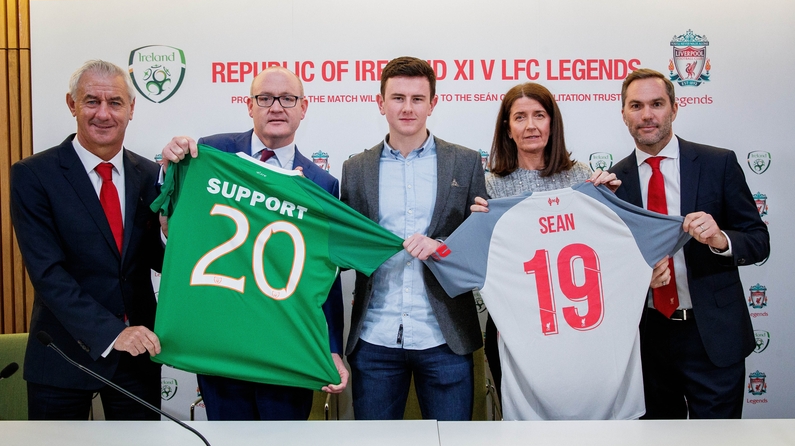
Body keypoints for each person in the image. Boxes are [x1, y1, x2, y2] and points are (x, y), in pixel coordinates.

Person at [160, 66, 347, 421]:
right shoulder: (208, 155)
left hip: (287, 350)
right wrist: (169, 167)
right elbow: (172, 219)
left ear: (303, 108)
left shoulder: (323, 184)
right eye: (265, 98)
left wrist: (330, 347)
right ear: (250, 106)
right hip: (222, 345)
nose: (276, 107)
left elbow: (325, 277)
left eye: (287, 99)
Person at [609, 68, 769, 419]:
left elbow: (758, 241)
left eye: (657, 104)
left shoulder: (717, 163)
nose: (647, 115)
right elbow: (606, 268)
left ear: (674, 109)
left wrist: (720, 238)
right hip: (647, 339)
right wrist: (638, 275)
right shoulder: (612, 184)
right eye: (636, 106)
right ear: (623, 114)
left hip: (712, 336)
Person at [10, 60, 165, 420]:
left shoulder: (150, 174)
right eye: (91, 101)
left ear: (131, 109)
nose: (103, 113)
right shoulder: (34, 175)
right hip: (63, 355)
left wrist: (166, 234)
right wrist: (114, 333)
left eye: (115, 103)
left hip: (137, 359)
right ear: (71, 105)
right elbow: (47, 273)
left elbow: (154, 260)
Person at [340, 56, 488, 420]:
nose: (407, 108)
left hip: (445, 337)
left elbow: (481, 248)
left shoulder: (466, 162)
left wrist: (444, 248)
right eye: (398, 97)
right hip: (375, 337)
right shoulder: (355, 169)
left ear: (433, 104)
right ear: (380, 102)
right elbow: (344, 250)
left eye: (418, 98)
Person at [471, 82, 619, 409]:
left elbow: (607, 251)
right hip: (515, 329)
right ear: (507, 129)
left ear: (553, 123)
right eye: (520, 117)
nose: (531, 126)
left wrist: (611, 204)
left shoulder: (584, 179)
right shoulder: (488, 188)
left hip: (579, 326)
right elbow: (482, 261)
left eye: (540, 115)